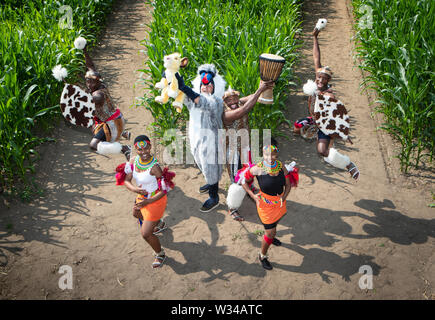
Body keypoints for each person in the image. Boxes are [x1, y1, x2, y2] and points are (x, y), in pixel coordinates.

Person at [309, 27, 360, 180]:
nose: (319, 80)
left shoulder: (328, 95)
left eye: (323, 79)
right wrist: (315, 37)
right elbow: (316, 57)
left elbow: (337, 113)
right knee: (297, 128)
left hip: (325, 125)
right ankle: (333, 153)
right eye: (318, 77)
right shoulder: (317, 82)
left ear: (328, 81)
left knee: (323, 151)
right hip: (315, 120)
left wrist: (344, 133)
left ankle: (348, 164)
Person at [175, 64, 226, 212]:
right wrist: (173, 82)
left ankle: (214, 196)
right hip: (196, 137)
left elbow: (202, 102)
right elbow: (186, 99)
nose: (206, 88)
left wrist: (185, 88)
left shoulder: (216, 102)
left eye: (210, 86)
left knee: (211, 166)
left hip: (210, 141)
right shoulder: (195, 98)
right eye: (203, 86)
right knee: (201, 162)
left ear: (215, 88)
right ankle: (211, 183)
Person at [222, 81, 274, 221]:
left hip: (245, 146)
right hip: (233, 151)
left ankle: (249, 187)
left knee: (249, 169)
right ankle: (232, 207)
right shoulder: (225, 114)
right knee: (235, 178)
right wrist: (260, 90)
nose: (232, 102)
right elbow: (244, 110)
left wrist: (264, 88)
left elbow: (251, 98)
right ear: (224, 101)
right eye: (228, 100)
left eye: (234, 98)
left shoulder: (238, 102)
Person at [242, 139, 296, 270]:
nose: (269, 157)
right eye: (266, 154)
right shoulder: (258, 169)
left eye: (272, 154)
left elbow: (288, 184)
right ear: (262, 154)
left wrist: (284, 197)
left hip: (279, 203)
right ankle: (262, 255)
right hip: (265, 205)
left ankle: (271, 237)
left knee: (275, 225)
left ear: (276, 154)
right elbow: (243, 180)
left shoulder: (281, 166)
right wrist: (253, 195)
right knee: (270, 232)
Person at [122, 135, 172, 268]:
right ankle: (159, 223)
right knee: (136, 214)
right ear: (136, 150)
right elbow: (126, 180)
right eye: (139, 149)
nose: (143, 152)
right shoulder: (133, 161)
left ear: (150, 147)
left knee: (145, 234)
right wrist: (135, 190)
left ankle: (160, 254)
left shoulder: (155, 167)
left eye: (146, 148)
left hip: (156, 199)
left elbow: (163, 190)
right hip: (142, 198)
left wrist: (148, 201)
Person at [82, 45, 132, 160]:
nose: (89, 84)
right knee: (91, 123)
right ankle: (122, 133)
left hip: (112, 123)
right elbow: (90, 66)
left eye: (91, 82)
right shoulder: (98, 83)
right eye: (87, 81)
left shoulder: (98, 95)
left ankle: (124, 148)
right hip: (112, 118)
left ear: (97, 82)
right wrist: (85, 50)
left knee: (94, 145)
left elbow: (90, 100)